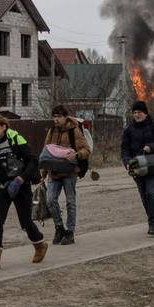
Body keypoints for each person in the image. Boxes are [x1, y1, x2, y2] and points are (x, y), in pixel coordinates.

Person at [0, 114, 48, 270]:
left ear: (4, 127)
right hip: (3, 186)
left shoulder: (16, 139)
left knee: (25, 221)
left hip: (21, 185)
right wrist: (6, 181)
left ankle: (40, 244)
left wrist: (21, 179)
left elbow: (32, 160)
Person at [42, 105, 91, 245]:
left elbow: (86, 150)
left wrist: (76, 154)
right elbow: (46, 153)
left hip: (70, 172)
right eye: (54, 116)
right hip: (54, 172)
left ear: (65, 117)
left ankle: (70, 232)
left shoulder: (74, 131)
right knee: (50, 200)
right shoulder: (51, 132)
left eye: (59, 116)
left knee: (70, 202)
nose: (56, 119)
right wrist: (43, 173)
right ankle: (59, 228)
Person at [121, 101, 154, 236]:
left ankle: (153, 224)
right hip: (136, 167)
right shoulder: (129, 130)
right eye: (134, 112)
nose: (137, 115)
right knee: (143, 195)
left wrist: (151, 147)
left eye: (139, 112)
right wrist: (126, 162)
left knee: (150, 192)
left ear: (145, 113)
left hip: (152, 166)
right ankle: (152, 219)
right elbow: (124, 149)